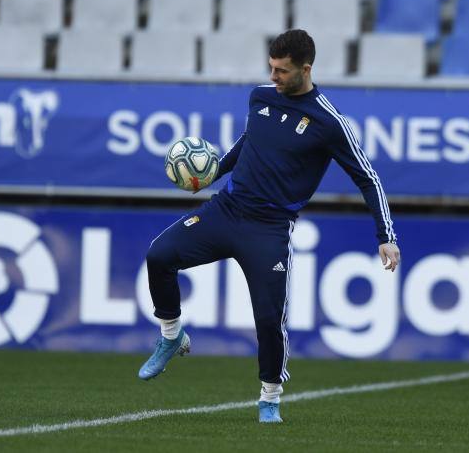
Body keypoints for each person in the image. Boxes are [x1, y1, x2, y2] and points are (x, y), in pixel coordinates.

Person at [137, 29, 400, 424]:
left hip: (269, 229)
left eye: (282, 70)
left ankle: (269, 398)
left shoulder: (329, 123)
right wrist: (212, 173)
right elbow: (248, 142)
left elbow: (368, 178)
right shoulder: (260, 96)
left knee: (267, 319)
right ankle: (172, 335)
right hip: (225, 209)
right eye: (271, 68)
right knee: (158, 255)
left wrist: (386, 236)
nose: (273, 76)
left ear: (305, 69)